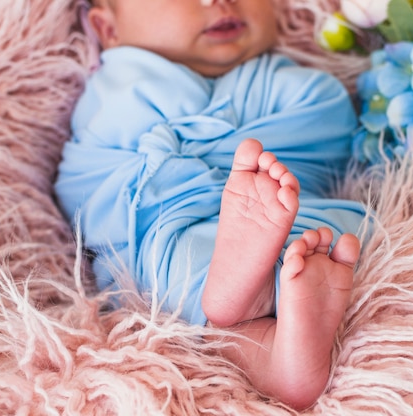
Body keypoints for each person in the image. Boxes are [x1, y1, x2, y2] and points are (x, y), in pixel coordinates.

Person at [55, 0, 368, 409]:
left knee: (326, 233)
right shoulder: (122, 83)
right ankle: (255, 306)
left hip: (280, 218)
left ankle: (272, 342)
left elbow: (329, 132)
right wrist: (203, 162)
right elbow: (88, 181)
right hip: (170, 227)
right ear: (109, 29)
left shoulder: (293, 83)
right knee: (171, 266)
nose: (217, 2)